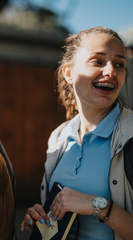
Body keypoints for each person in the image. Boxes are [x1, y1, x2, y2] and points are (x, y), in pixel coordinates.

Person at [20, 27, 133, 239]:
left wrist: (98, 206)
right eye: (98, 61)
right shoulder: (59, 137)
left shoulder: (131, 137)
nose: (111, 71)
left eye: (119, 64)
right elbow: (59, 218)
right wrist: (44, 220)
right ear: (69, 73)